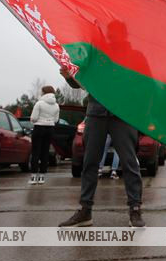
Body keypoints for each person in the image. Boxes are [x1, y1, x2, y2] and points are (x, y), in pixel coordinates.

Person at [58, 66, 144, 228]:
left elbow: (142, 80)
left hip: (123, 113)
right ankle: (85, 210)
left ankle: (135, 209)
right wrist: (69, 76)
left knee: (129, 163)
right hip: (96, 113)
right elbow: (82, 80)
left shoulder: (132, 53)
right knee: (90, 163)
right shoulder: (95, 53)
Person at [29, 85, 59, 185]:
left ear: (44, 92)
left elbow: (33, 118)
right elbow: (56, 120)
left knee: (35, 152)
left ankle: (33, 177)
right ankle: (42, 177)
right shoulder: (56, 105)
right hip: (50, 128)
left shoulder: (39, 103)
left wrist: (35, 120)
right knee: (45, 152)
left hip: (39, 128)